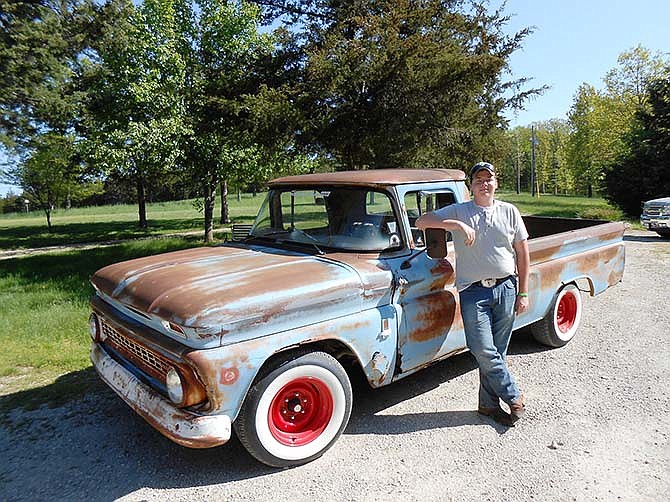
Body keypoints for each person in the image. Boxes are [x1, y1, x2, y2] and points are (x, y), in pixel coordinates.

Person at [416, 162, 530, 426]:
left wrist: (523, 292)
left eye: (489, 179)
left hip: (506, 287)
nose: (484, 184)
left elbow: (523, 254)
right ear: (471, 186)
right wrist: (455, 224)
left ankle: (487, 406)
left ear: (496, 184)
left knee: (496, 353)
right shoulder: (460, 209)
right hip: (473, 292)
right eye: (479, 180)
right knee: (481, 348)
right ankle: (513, 395)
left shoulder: (509, 212)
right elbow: (422, 221)